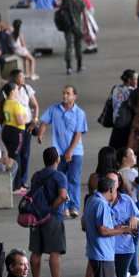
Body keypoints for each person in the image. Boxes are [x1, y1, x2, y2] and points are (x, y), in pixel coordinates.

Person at [38, 85, 88, 219]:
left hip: (75, 152)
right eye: (63, 93)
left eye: (68, 93)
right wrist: (41, 134)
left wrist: (70, 151)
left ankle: (74, 207)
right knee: (61, 180)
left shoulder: (80, 113)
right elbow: (43, 121)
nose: (65, 96)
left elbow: (78, 134)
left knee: (74, 180)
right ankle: (63, 207)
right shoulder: (54, 109)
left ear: (74, 96)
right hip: (58, 152)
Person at [83, 176, 134, 277]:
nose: (116, 194)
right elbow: (103, 230)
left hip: (95, 253)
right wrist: (124, 230)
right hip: (102, 254)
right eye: (115, 190)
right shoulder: (101, 204)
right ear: (110, 190)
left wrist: (116, 228)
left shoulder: (91, 200)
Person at [29, 147, 68, 277]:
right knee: (55, 253)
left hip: (36, 217)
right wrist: (51, 208)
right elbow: (62, 196)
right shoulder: (60, 176)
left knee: (36, 252)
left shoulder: (36, 175)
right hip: (53, 218)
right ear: (58, 159)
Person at [10, 69, 39, 193]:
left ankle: (23, 181)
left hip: (27, 125)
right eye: (21, 76)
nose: (23, 78)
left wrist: (35, 119)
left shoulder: (27, 88)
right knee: (17, 153)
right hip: (16, 126)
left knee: (25, 153)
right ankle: (16, 182)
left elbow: (35, 105)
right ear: (15, 78)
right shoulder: (10, 90)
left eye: (23, 76)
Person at [108, 171, 139, 277]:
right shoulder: (100, 201)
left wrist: (135, 218)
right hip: (105, 249)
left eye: (113, 181)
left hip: (124, 249)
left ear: (119, 183)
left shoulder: (126, 200)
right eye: (108, 181)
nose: (110, 184)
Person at [0, 83, 27, 193]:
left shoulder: (6, 103)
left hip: (7, 130)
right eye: (16, 89)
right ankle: (16, 186)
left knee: (11, 156)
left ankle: (14, 184)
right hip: (16, 132)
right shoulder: (15, 105)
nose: (18, 91)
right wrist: (26, 117)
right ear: (12, 92)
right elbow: (20, 121)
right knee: (16, 158)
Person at [59, 0, 86, 75]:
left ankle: (69, 67)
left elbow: (60, 11)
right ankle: (79, 66)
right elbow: (84, 14)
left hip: (68, 27)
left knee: (69, 46)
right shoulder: (80, 0)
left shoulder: (66, 0)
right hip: (77, 26)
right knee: (78, 46)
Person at [109, 69, 137, 149]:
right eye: (135, 79)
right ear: (129, 80)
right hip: (128, 127)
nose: (137, 81)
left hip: (117, 124)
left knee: (116, 150)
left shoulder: (115, 88)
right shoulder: (133, 92)